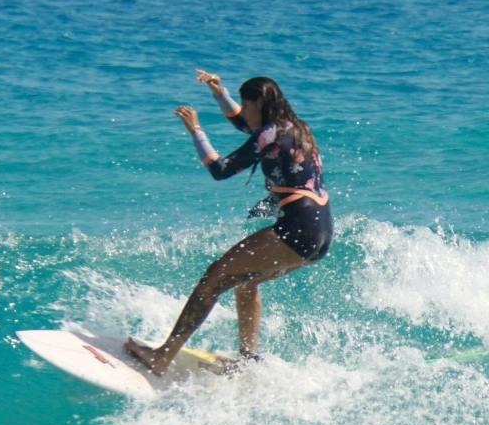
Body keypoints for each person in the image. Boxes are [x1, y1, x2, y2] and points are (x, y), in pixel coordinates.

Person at [123, 70, 333, 375]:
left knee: (212, 279)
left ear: (259, 105)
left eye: (247, 105)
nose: (244, 112)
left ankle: (162, 356)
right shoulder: (296, 128)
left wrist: (196, 130)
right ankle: (247, 360)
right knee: (246, 284)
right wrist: (219, 93)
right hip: (321, 231)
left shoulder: (270, 133)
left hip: (297, 227)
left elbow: (221, 170)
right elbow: (244, 123)